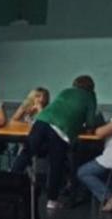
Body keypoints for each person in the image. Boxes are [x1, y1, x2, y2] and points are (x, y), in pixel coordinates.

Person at [12, 75, 102, 209]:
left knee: (26, 153)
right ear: (91, 87)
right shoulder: (90, 97)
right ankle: (51, 200)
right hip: (61, 130)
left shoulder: (66, 91)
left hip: (41, 121)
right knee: (56, 164)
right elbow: (90, 122)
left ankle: (10, 186)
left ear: (75, 84)